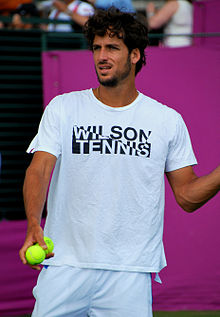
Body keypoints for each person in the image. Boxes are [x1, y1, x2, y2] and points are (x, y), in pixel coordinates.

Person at [19, 7, 220, 317]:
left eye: (112, 47)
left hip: (130, 272)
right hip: (65, 265)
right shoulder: (63, 108)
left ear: (135, 55)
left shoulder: (166, 120)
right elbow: (40, 167)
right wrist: (34, 221)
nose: (102, 55)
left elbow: (187, 196)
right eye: (97, 47)